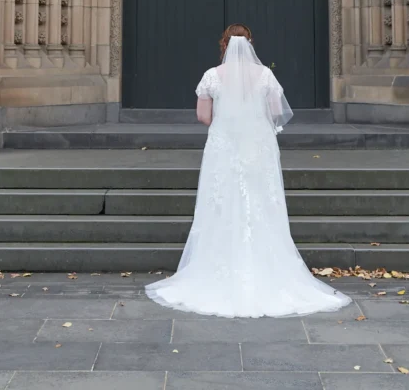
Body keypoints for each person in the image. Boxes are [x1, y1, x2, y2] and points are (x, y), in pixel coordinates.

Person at [145, 24, 351, 317]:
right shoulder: (265, 75)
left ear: (225, 44)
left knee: (222, 204)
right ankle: (267, 270)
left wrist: (227, 118)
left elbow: (204, 116)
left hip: (225, 148)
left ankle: (218, 267)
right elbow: (277, 111)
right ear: (250, 44)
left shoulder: (211, 76)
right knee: (260, 204)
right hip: (257, 148)